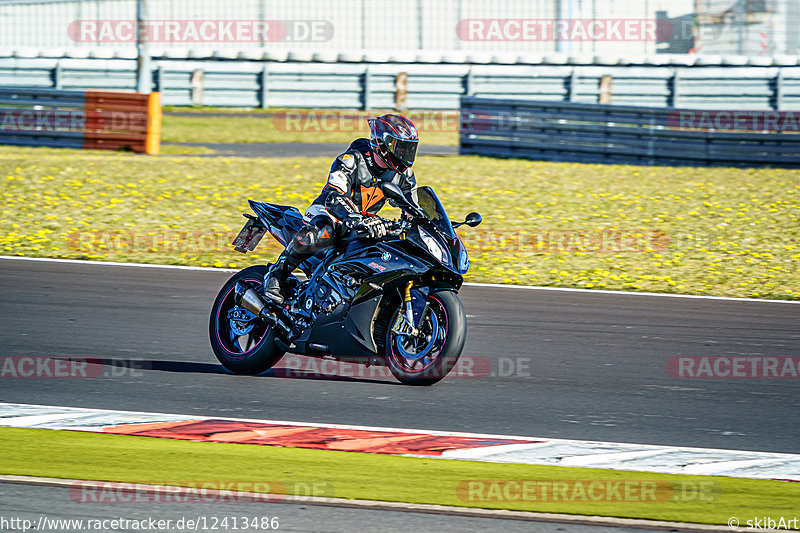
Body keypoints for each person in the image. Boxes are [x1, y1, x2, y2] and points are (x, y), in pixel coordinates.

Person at [263, 113, 421, 304]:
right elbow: (335, 195)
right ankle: (278, 273)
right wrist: (354, 216)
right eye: (401, 148)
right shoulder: (351, 160)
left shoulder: (405, 176)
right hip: (328, 211)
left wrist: (432, 227)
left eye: (409, 149)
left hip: (363, 221)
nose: (405, 154)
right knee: (324, 231)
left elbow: (413, 210)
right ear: (383, 144)